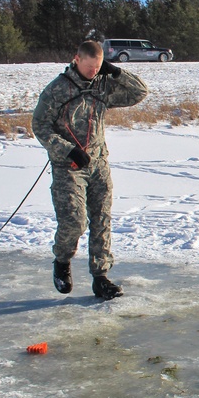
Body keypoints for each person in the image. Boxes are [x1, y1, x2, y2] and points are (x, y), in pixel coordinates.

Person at [32, 39, 149, 300]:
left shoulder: (102, 86)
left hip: (98, 163)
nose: (93, 72)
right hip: (69, 166)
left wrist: (116, 72)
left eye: (97, 67)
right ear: (76, 59)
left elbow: (139, 93)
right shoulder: (57, 90)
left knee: (101, 220)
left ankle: (100, 277)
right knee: (74, 221)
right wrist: (67, 150)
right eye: (89, 68)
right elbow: (40, 126)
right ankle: (62, 261)